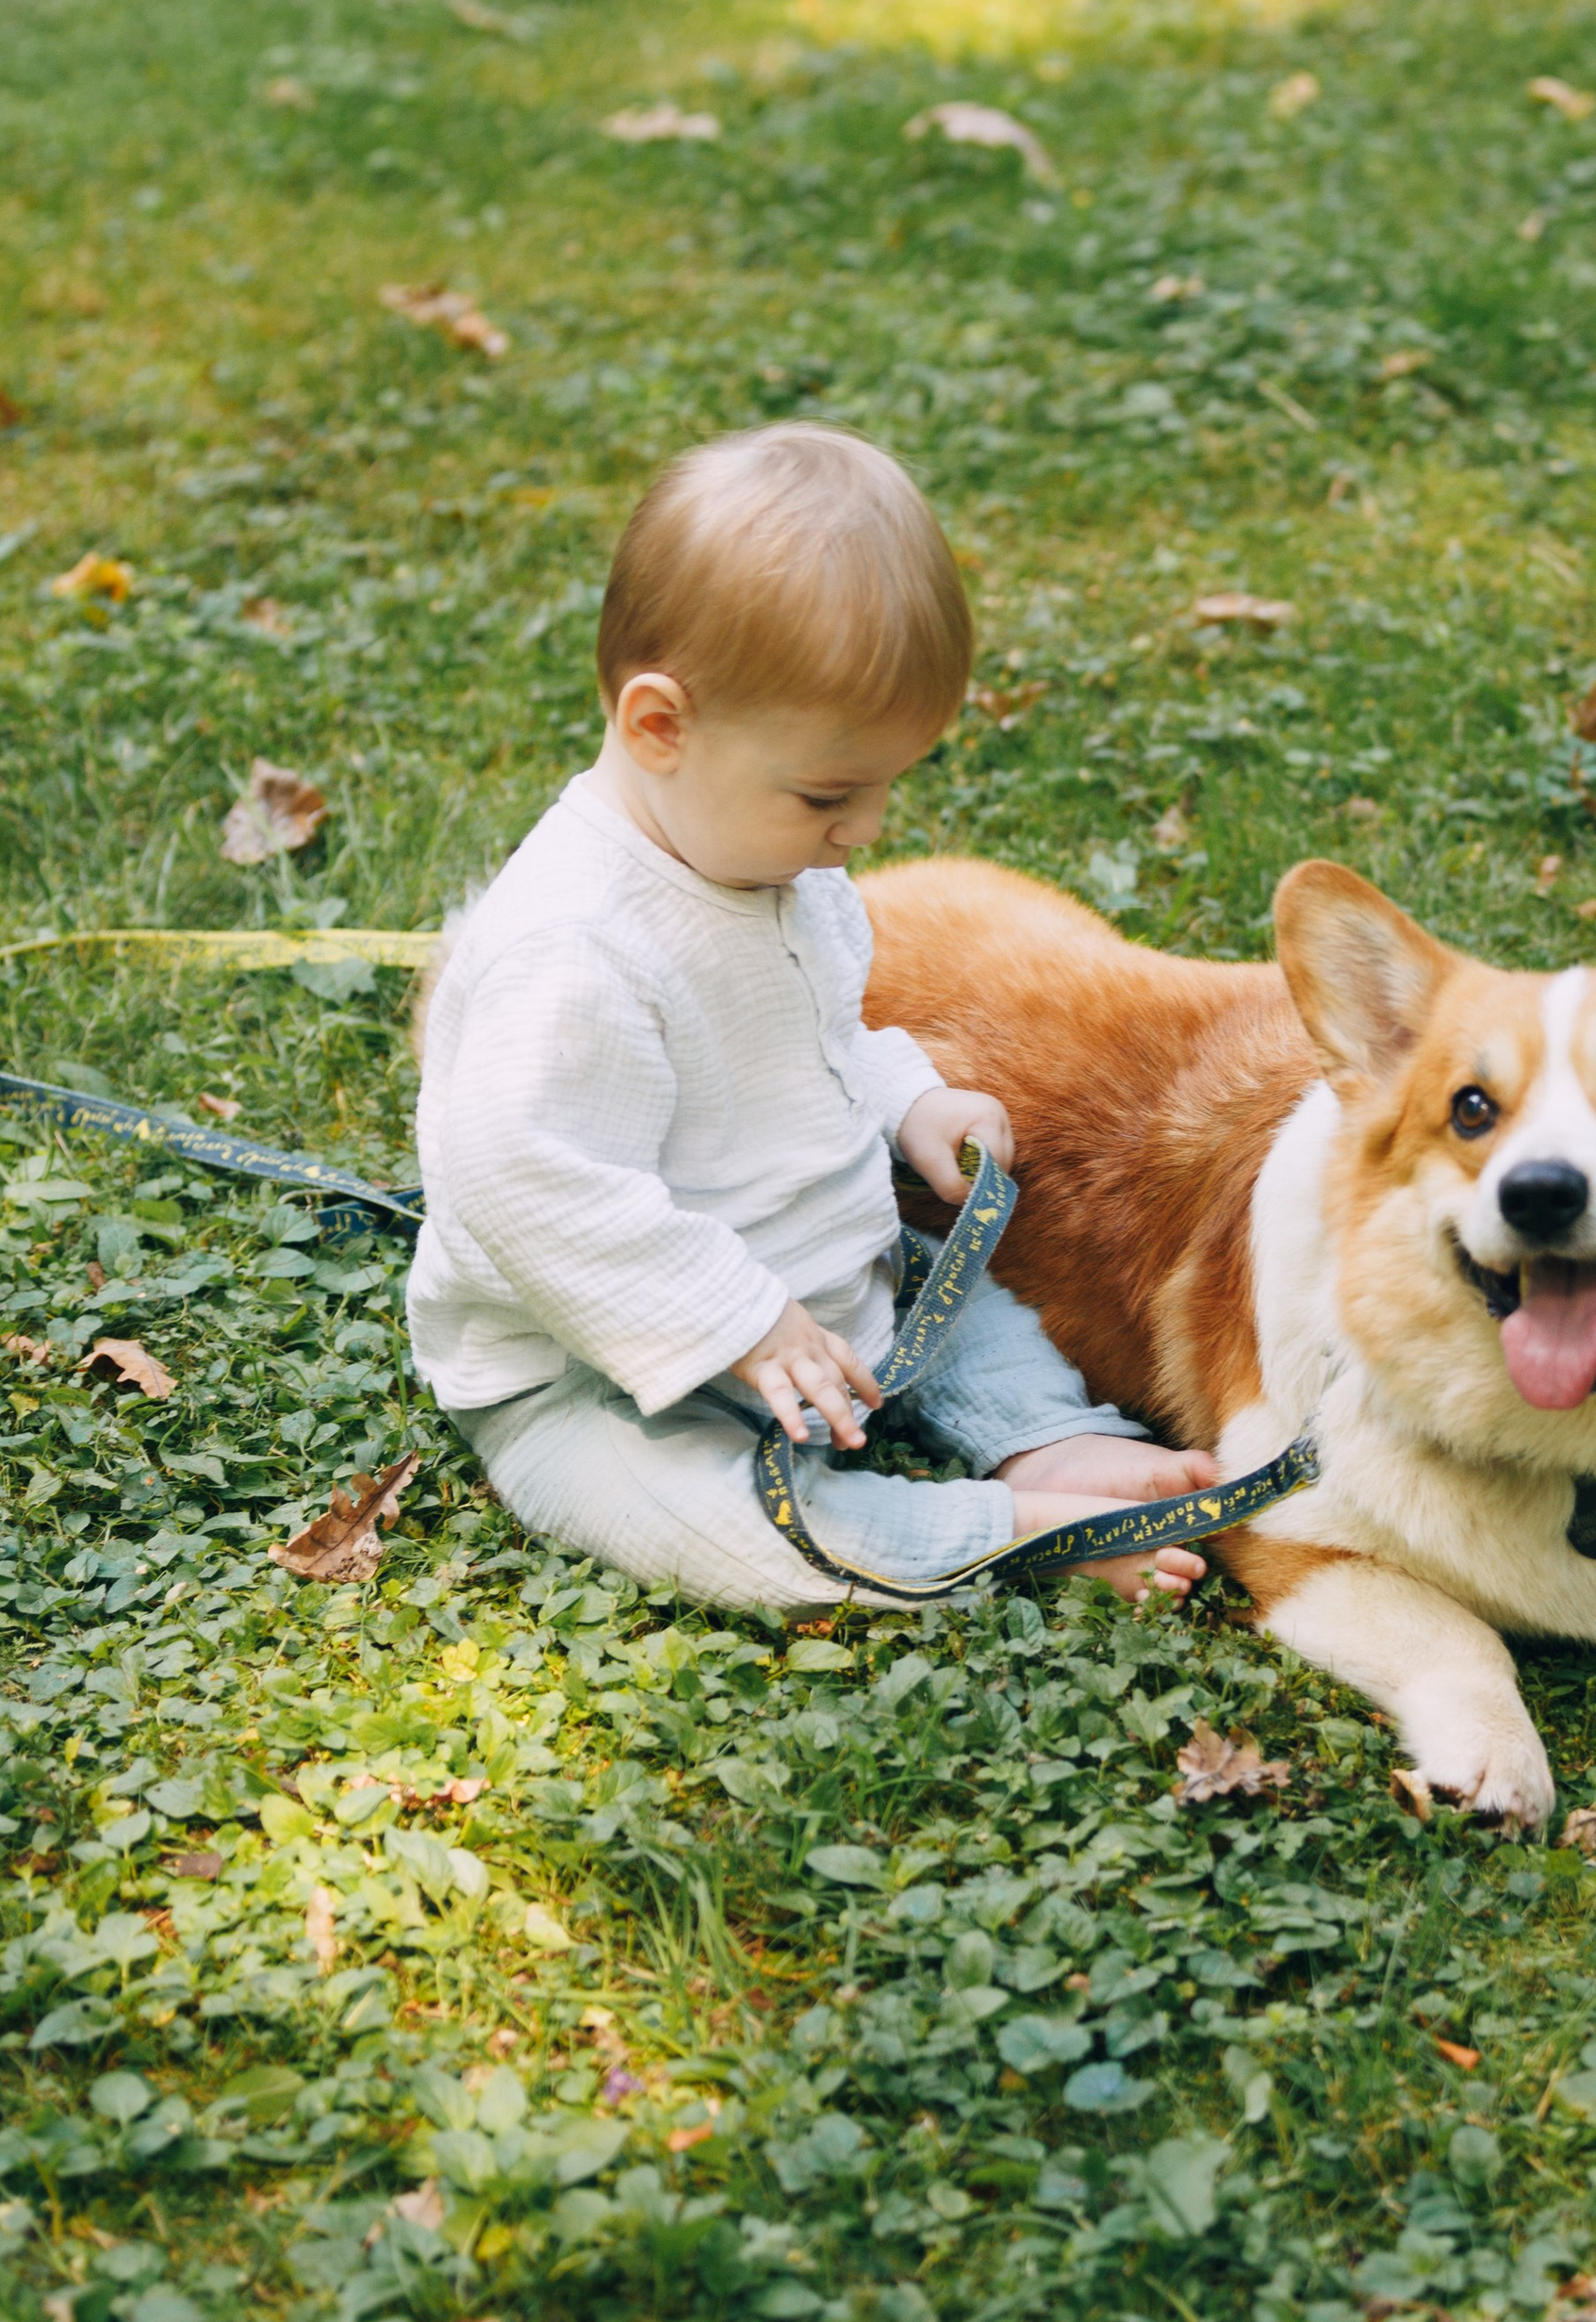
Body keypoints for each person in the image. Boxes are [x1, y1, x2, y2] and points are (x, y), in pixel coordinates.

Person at [406, 420, 1217, 1611]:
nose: (868, 829)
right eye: (832, 794)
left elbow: (818, 1037)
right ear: (659, 728)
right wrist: (734, 1316)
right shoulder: (575, 952)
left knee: (965, 1301)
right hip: (596, 1373)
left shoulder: (772, 863)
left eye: (891, 785)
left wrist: (906, 1100)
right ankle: (995, 1533)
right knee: (710, 1525)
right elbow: (516, 1174)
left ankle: (1042, 1434)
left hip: (828, 1290)